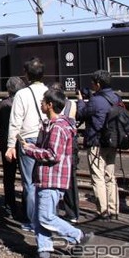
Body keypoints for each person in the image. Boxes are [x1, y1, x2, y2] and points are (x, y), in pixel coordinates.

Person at [22, 88, 93, 258]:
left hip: (52, 178)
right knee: (39, 218)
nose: (41, 104)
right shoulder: (53, 125)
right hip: (46, 176)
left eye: (43, 101)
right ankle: (44, 254)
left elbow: (53, 155)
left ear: (50, 105)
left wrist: (29, 149)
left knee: (45, 217)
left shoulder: (58, 128)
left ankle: (78, 236)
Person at [5, 57, 48, 231]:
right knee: (44, 182)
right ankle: (45, 217)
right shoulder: (49, 91)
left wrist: (10, 145)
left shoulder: (22, 94)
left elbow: (15, 122)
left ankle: (32, 221)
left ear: (27, 75)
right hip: (46, 140)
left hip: (28, 141)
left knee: (29, 183)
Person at [76, 70, 119, 220]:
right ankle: (114, 210)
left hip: (96, 142)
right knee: (110, 176)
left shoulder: (95, 100)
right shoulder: (116, 97)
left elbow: (81, 114)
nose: (92, 85)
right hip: (112, 142)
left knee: (98, 176)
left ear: (98, 84)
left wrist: (81, 100)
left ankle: (103, 211)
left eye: (93, 83)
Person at [0, 76, 25, 219]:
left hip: (7, 143)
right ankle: (26, 206)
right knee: (27, 177)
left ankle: (10, 206)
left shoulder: (2, 105)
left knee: (9, 177)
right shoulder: (24, 103)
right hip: (24, 143)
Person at [48, 82, 80, 223]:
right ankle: (72, 212)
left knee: (54, 177)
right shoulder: (71, 104)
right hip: (71, 141)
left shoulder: (55, 107)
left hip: (57, 141)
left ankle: (53, 211)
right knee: (70, 178)